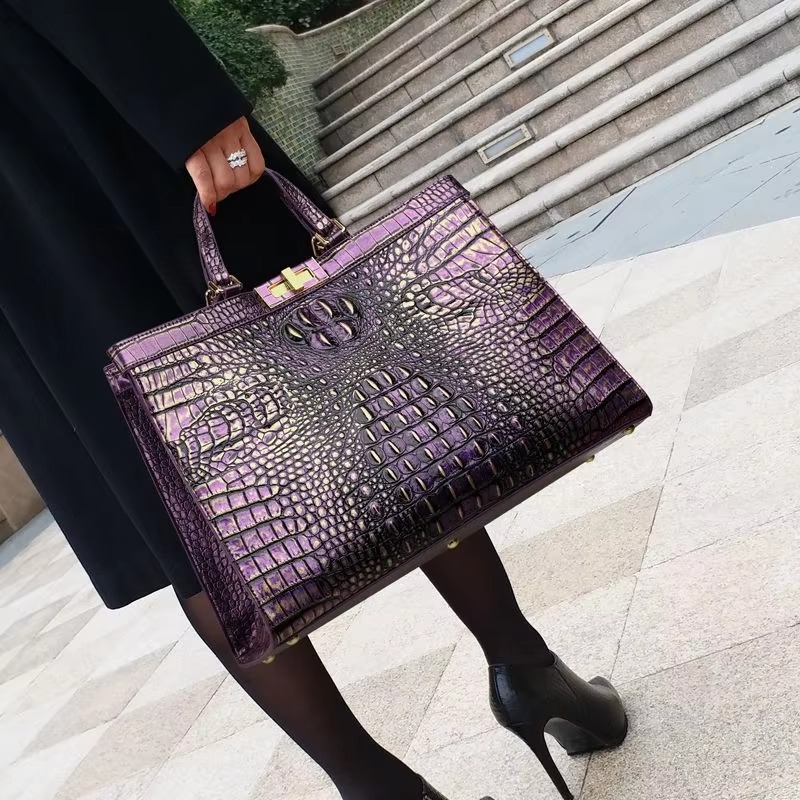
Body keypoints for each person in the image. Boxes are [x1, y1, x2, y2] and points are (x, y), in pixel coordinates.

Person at [0, 3, 628, 799]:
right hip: (84, 108)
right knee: (358, 386)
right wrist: (181, 100)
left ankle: (374, 787)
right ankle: (527, 670)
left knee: (171, 505)